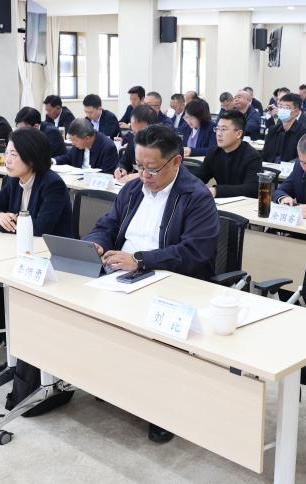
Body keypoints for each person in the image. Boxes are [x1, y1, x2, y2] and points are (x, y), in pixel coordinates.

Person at [82, 124, 218, 444]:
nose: (143, 175)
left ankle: (161, 407)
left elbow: (195, 253)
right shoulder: (132, 190)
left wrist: (140, 260)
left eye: (151, 168)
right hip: (123, 274)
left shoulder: (196, 197)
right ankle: (109, 380)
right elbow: (106, 225)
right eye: (138, 166)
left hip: (171, 280)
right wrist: (97, 243)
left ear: (176, 161)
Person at [0, 127, 75, 398]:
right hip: (21, 256)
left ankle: (34, 367)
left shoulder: (52, 184)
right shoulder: (13, 181)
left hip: (52, 261)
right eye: (7, 154)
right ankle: (13, 351)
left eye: (13, 155)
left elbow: (40, 228)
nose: (7, 160)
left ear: (31, 157)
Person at [194, 110, 263, 198]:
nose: (219, 134)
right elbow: (199, 177)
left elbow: (252, 188)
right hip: (220, 202)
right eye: (217, 129)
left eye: (223, 129)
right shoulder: (214, 152)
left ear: (238, 134)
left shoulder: (252, 156)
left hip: (244, 204)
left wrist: (217, 191)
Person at [262, 93, 306, 163]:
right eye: (281, 107)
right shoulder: (273, 130)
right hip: (269, 168)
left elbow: (302, 158)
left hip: (289, 168)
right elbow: (264, 155)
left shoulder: (304, 133)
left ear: (296, 112)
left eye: (287, 108)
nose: (282, 110)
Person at [53, 118, 119, 173]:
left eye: (74, 140)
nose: (72, 143)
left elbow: (106, 174)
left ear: (87, 138)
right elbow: (68, 157)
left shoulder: (108, 147)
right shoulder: (79, 144)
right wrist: (52, 161)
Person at [114, 104, 159, 183]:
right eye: (133, 132)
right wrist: (121, 169)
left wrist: (138, 175)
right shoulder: (133, 138)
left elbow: (163, 171)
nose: (136, 137)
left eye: (140, 133)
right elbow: (124, 161)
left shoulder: (164, 143)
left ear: (153, 128)